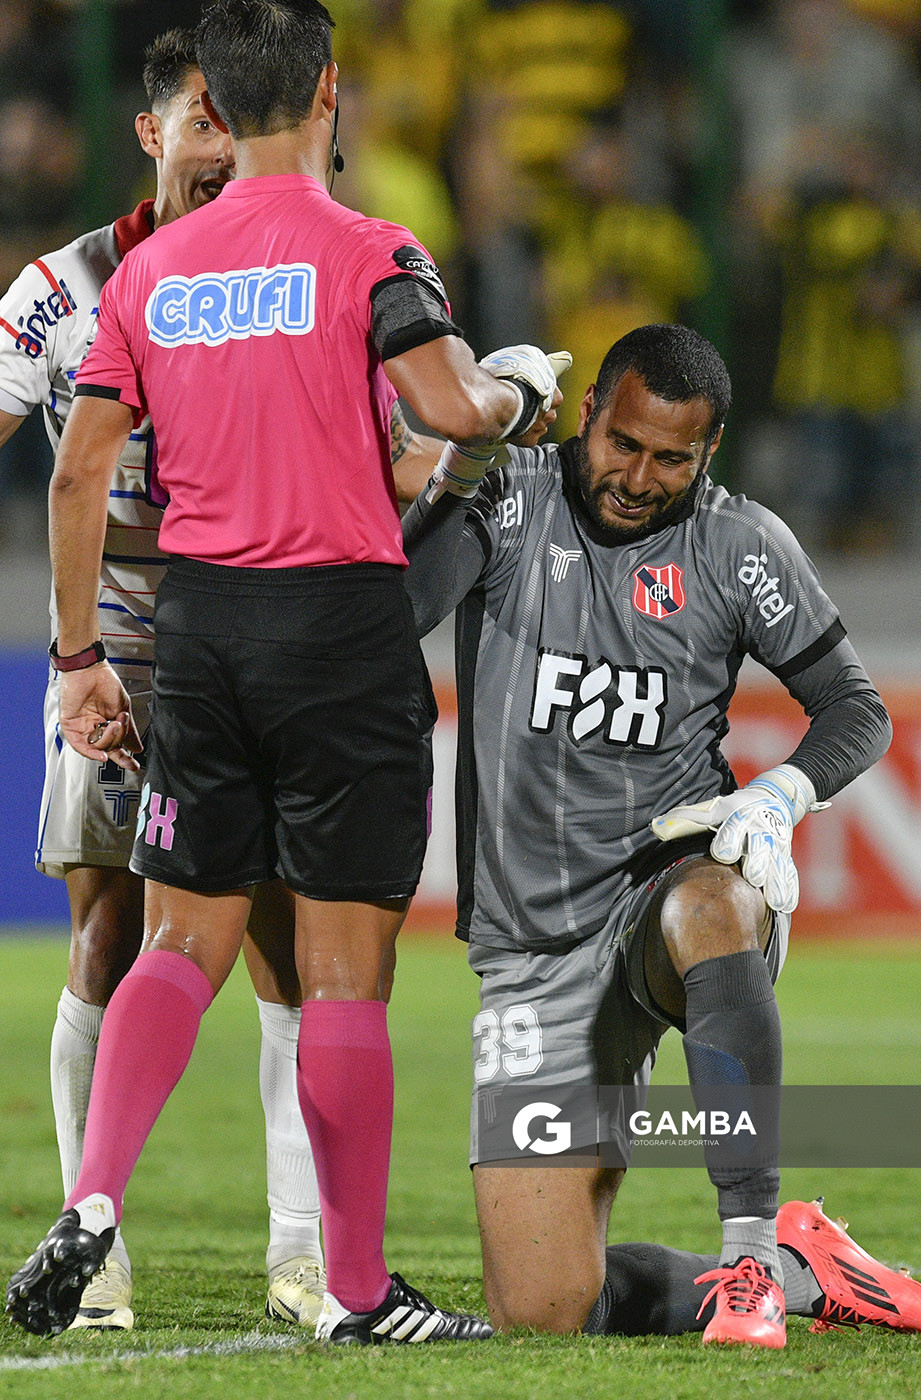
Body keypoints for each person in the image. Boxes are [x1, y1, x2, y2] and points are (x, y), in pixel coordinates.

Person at [5, 0, 560, 1346]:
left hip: (190, 637)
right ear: (326, 92)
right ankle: (356, 1289)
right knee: (340, 971)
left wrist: (79, 656)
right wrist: (517, 396)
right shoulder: (372, 251)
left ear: (216, 108)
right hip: (337, 634)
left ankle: (92, 1201)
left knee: (176, 937)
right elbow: (441, 418)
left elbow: (80, 469)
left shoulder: (145, 277)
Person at [400, 322, 921, 1347]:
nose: (641, 476)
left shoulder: (739, 545)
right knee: (548, 1313)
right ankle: (806, 1268)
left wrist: (776, 798)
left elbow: (855, 709)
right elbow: (398, 612)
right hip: (531, 953)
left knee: (715, 894)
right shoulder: (511, 497)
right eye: (625, 443)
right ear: (590, 406)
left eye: (673, 457)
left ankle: (747, 1253)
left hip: (662, 899)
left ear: (711, 450)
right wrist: (462, 464)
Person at [0, 28, 336, 1332]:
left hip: (249, 632)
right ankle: (99, 1248)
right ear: (151, 134)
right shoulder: (65, 286)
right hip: (112, 632)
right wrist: (81, 657)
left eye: (233, 123)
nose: (217, 148)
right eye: (197, 122)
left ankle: (301, 1259)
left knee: (283, 940)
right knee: (102, 929)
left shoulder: (298, 265)